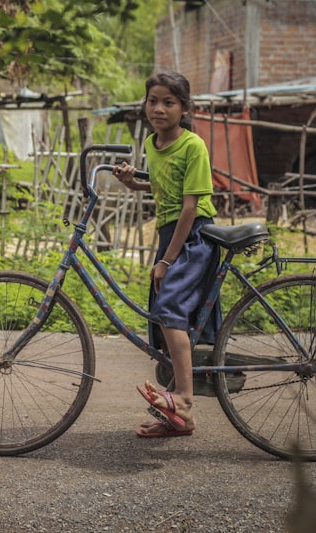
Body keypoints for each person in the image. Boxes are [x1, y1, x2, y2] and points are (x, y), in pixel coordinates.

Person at [112, 71, 219, 438]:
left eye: (168, 102)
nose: (158, 108)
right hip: (172, 234)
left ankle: (184, 401)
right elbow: (162, 189)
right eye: (152, 101)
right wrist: (132, 183)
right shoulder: (154, 144)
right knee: (165, 320)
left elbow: (189, 208)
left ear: (184, 108)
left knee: (170, 311)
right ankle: (176, 418)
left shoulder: (193, 146)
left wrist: (167, 260)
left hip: (194, 238)